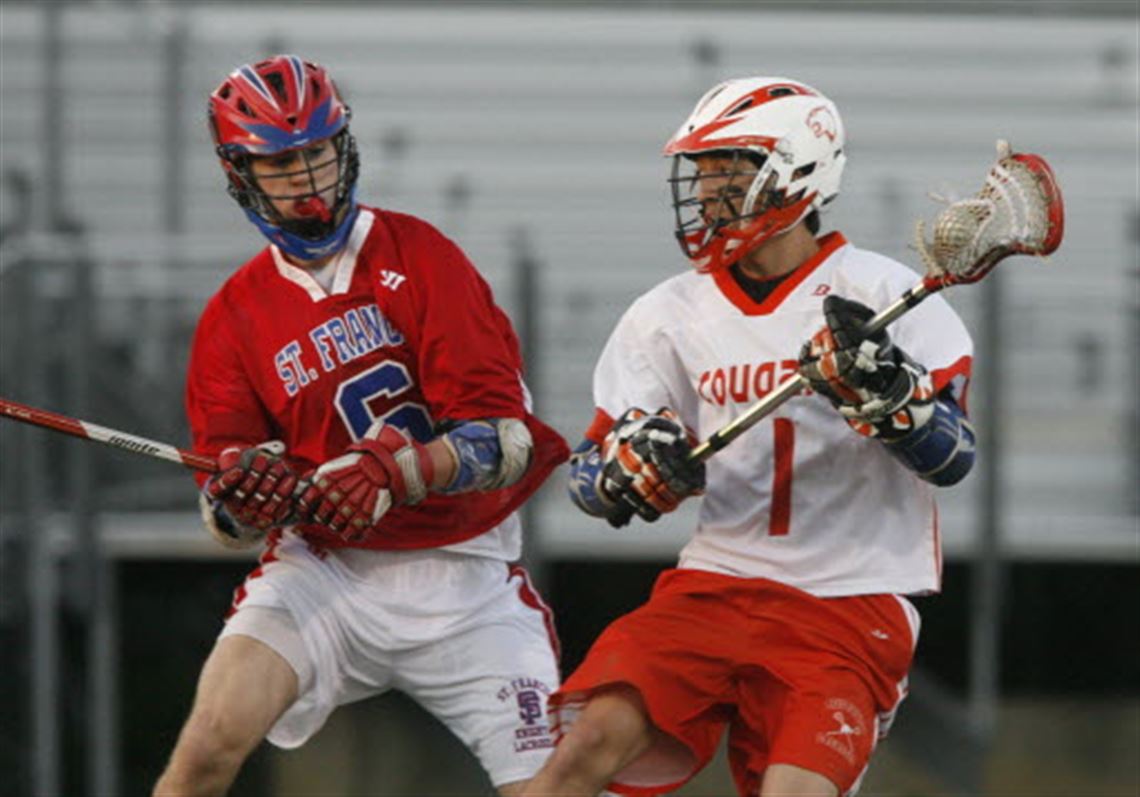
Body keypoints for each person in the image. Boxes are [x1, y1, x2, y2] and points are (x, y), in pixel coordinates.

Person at [523, 77, 976, 797]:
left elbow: (953, 457)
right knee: (580, 752)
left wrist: (887, 393)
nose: (707, 191)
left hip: (846, 601)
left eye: (729, 168)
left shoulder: (883, 295)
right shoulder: (669, 312)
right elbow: (588, 475)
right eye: (702, 172)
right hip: (714, 585)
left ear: (799, 172)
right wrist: (626, 471)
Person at [153, 55, 569, 797]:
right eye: (281, 162)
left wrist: (396, 472)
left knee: (556, 787)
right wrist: (246, 495)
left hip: (467, 577)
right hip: (325, 574)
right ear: (240, 174)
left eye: (317, 152)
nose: (307, 178)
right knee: (205, 748)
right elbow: (226, 509)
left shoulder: (422, 255)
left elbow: (503, 441)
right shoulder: (232, 317)